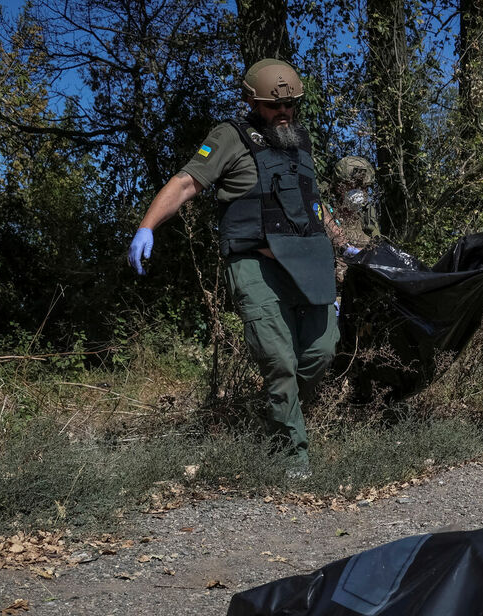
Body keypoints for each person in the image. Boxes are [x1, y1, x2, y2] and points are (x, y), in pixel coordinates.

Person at [127, 58, 338, 481]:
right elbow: (187, 181)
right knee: (279, 359)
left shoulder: (301, 140)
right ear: (251, 101)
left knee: (321, 351)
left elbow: (312, 202)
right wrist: (147, 226)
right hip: (256, 264)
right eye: (274, 106)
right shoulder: (230, 136)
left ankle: (276, 416)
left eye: (290, 106)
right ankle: (291, 457)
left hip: (309, 262)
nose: (284, 113)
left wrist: (340, 241)